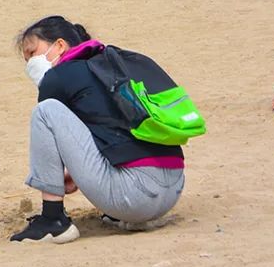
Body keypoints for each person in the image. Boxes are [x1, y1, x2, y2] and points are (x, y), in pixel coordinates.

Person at [11, 16, 185, 244]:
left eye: (32, 54)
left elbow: (59, 129)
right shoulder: (115, 62)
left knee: (46, 112)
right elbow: (110, 126)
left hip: (134, 197)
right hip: (173, 190)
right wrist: (75, 173)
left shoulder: (57, 77)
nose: (30, 64)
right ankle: (118, 215)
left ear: (60, 45)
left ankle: (53, 221)